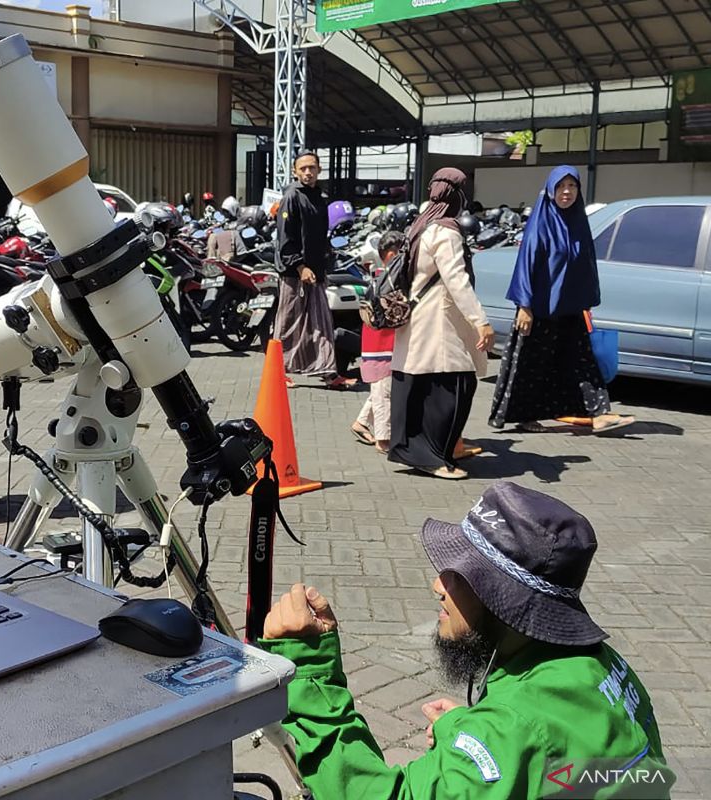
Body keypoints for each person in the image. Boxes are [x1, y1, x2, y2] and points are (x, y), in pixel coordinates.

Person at [259, 481, 671, 799]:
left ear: (504, 601)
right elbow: (553, 758)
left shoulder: (511, 729)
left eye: (459, 575)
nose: (437, 584)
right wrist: (466, 728)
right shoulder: (601, 664)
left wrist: (312, 671)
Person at [489, 166, 635, 435]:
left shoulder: (578, 222)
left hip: (570, 309)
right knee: (530, 366)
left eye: (572, 186)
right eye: (561, 187)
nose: (567, 192)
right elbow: (526, 263)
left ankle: (599, 414)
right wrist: (524, 305)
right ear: (551, 190)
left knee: (582, 362)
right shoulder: (542, 222)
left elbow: (586, 264)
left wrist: (587, 300)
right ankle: (523, 416)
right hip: (540, 309)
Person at [387, 168, 493, 480]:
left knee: (419, 387)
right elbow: (457, 281)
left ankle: (425, 452)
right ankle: (434, 457)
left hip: (419, 321)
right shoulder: (446, 232)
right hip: (440, 324)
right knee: (454, 388)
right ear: (458, 196)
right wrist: (481, 321)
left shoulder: (421, 226)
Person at [275, 151, 353, 389]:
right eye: (303, 169)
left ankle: (329, 373)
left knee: (322, 323)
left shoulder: (320, 197)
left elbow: (319, 235)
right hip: (294, 273)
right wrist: (299, 266)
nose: (308, 172)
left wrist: (326, 256)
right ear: (295, 172)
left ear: (319, 169)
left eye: (312, 167)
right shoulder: (291, 197)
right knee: (288, 323)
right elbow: (285, 238)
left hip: (317, 271)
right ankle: (278, 372)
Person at [352, 230, 404, 453]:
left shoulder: (381, 275)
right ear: (393, 255)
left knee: (383, 388)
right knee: (384, 391)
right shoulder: (389, 279)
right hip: (382, 344)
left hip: (379, 343)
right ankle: (383, 439)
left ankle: (362, 422)